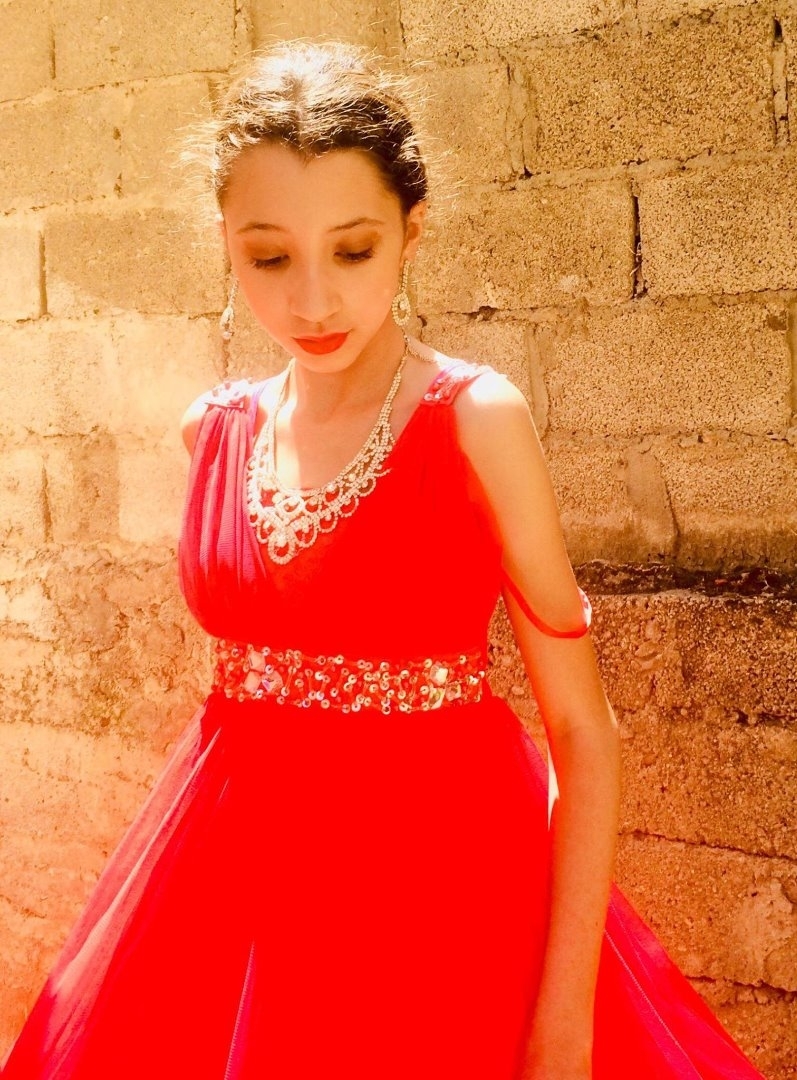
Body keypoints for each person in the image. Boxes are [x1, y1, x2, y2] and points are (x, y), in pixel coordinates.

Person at [1, 41, 768, 1080]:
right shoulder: (211, 430)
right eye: (270, 258)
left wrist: (563, 1021)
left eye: (352, 250)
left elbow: (582, 732)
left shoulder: (474, 418)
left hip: (438, 904)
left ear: (411, 232)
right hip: (225, 903)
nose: (312, 301)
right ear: (225, 244)